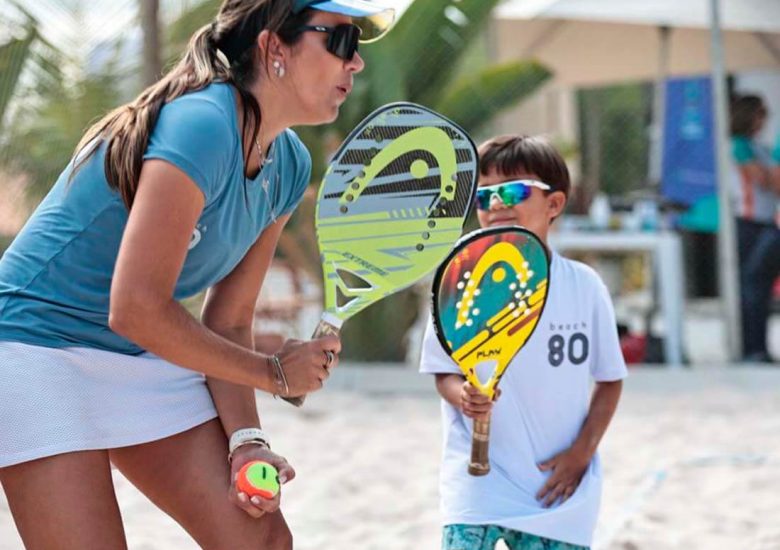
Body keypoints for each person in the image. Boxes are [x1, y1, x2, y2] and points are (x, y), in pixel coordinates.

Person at [0, 1, 394, 548]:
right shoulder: (203, 122)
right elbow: (136, 307)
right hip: (30, 345)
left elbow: (229, 320)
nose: (355, 65)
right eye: (341, 42)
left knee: (263, 542)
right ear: (274, 48)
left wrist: (247, 440)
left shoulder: (289, 163)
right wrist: (274, 373)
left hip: (132, 351)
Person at [419, 135, 627, 550]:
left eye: (513, 191)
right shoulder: (460, 279)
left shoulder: (584, 287)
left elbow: (610, 380)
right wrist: (463, 396)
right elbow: (443, 372)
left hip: (558, 489)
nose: (496, 204)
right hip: (477, 484)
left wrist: (582, 453)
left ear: (554, 204)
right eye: (484, 196)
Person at [729, 94, 780, 363]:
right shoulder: (739, 146)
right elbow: (764, 181)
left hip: (765, 221)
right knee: (750, 286)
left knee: (758, 288)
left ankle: (758, 346)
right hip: (747, 222)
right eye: (761, 115)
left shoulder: (758, 147)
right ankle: (751, 347)